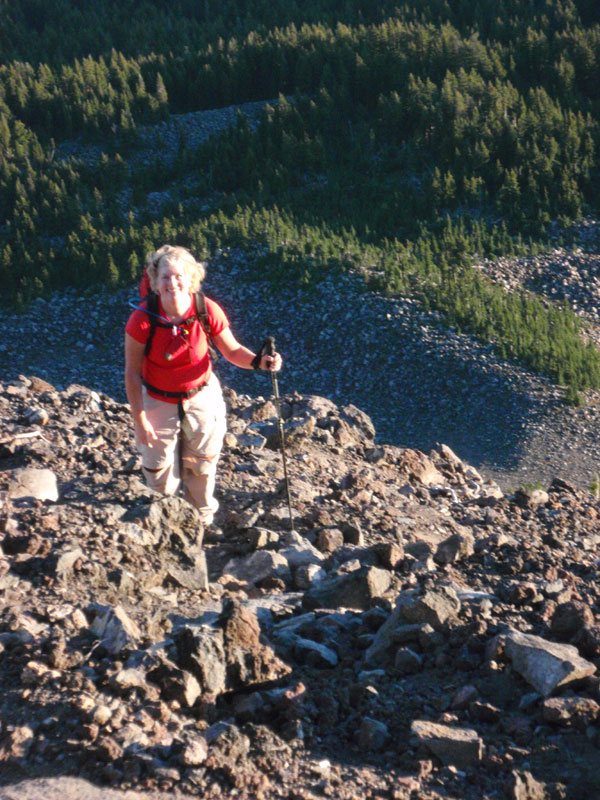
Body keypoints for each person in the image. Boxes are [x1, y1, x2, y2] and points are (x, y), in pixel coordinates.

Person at [124, 244, 282, 526]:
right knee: (158, 467)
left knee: (203, 462)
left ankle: (201, 522)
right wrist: (140, 419)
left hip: (201, 394)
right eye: (165, 277)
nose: (173, 283)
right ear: (155, 282)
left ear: (191, 279)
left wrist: (260, 362)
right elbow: (132, 373)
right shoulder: (142, 319)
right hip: (157, 398)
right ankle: (163, 519)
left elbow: (232, 351)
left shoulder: (206, 310)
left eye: (179, 276)